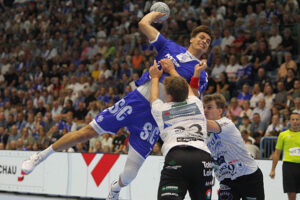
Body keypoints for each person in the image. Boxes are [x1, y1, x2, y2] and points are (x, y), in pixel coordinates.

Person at [21, 11, 213, 200]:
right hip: (137, 100)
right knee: (88, 131)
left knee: (129, 174)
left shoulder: (201, 72)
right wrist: (155, 14)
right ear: (191, 39)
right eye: (202, 37)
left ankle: (116, 188)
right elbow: (143, 25)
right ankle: (40, 156)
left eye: (208, 41)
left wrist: (171, 71)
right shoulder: (170, 46)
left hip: (157, 116)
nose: (204, 41)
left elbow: (192, 97)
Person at [150, 59, 213, 200]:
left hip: (177, 155)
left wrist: (155, 77)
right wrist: (172, 69)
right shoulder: (195, 102)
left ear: (169, 96)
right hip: (202, 157)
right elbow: (187, 88)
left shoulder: (161, 110)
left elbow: (153, 98)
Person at [202, 93, 265, 200]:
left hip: (248, 176)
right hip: (226, 180)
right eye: (203, 107)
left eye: (209, 107)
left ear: (220, 111)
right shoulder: (203, 132)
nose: (205, 110)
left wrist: (190, 115)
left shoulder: (226, 123)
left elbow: (206, 124)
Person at [270, 112, 300, 200]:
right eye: (293, 119)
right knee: (291, 195)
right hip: (289, 167)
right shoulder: (283, 135)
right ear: (289, 121)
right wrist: (273, 169)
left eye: (297, 119)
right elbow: (277, 153)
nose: (295, 121)